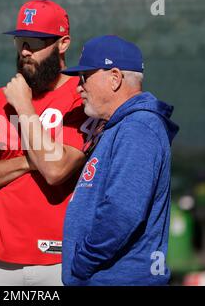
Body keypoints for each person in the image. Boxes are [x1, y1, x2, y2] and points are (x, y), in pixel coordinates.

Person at [0, 0, 100, 286]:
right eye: (20, 41)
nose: (25, 51)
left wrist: (24, 107)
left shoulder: (81, 97)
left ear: (63, 44)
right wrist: (27, 160)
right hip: (0, 257)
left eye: (35, 43)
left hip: (58, 256)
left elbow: (56, 170)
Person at [61, 35, 180, 285]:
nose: (78, 87)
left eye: (85, 77)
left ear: (114, 78)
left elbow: (121, 212)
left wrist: (82, 263)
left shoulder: (138, 127)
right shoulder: (121, 126)